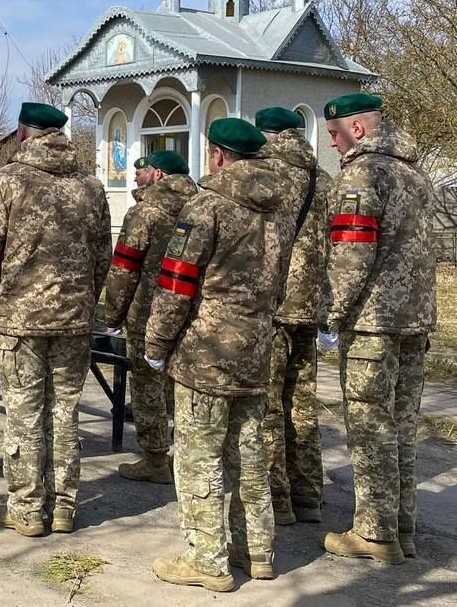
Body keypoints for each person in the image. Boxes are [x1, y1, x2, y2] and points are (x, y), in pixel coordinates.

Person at [146, 118, 296, 592]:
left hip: (206, 351)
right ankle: (257, 551)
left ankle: (207, 558)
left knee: (198, 455)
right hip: (256, 346)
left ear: (218, 156)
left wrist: (156, 342)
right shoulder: (280, 210)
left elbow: (175, 283)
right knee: (248, 454)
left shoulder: (206, 207)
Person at [0, 103, 111, 537]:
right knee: (65, 413)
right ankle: (65, 507)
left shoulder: (6, 182)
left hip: (20, 318)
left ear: (24, 134)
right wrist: (83, 298)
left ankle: (28, 510)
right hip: (74, 320)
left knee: (25, 416)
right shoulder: (91, 186)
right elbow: (103, 257)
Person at [319, 93, 436, 564]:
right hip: (414, 319)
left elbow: (351, 254)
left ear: (358, 130)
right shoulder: (414, 172)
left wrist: (332, 315)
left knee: (370, 427)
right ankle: (401, 529)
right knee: (402, 429)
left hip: (373, 322)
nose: (332, 144)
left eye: (334, 133)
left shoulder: (362, 174)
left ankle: (374, 533)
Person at [254, 108, 332, 527]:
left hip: (275, 307)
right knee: (303, 406)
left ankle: (277, 499)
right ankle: (309, 496)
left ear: (266, 136)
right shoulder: (326, 181)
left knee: (268, 406)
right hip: (311, 308)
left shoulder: (266, 178)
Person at [104, 149, 196, 486]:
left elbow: (124, 270)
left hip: (147, 312)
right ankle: (183, 457)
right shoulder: (202, 207)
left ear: (157, 174)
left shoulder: (144, 213)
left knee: (147, 386)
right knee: (182, 385)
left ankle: (156, 458)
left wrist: (113, 314)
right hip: (191, 314)